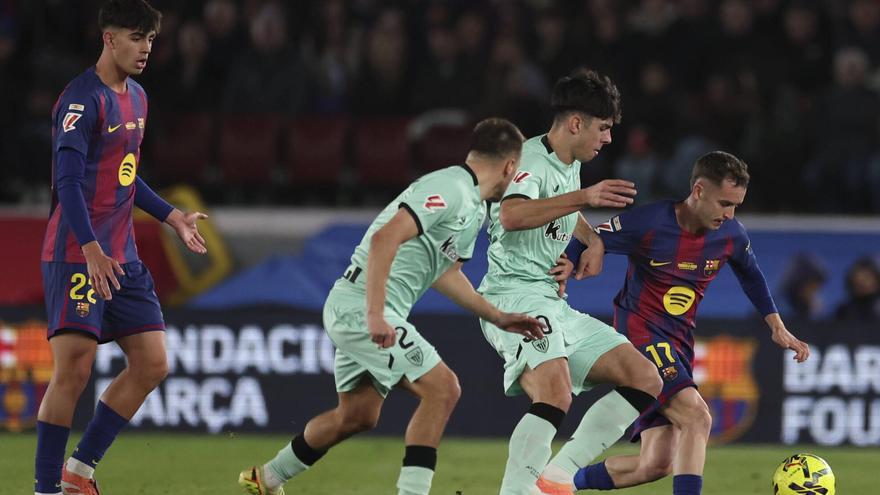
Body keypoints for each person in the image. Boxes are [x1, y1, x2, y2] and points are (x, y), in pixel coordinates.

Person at [238, 118, 548, 495]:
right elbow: (386, 238)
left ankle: (266, 478)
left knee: (357, 415)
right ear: (510, 167)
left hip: (368, 308)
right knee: (443, 389)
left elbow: (445, 274)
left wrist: (497, 316)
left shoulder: (475, 209)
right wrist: (374, 314)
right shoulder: (449, 187)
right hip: (362, 307)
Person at [34, 2, 209, 495]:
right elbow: (67, 183)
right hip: (77, 253)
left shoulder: (139, 99)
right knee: (74, 371)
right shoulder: (80, 102)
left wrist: (171, 215)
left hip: (122, 257)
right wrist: (90, 248)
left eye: (151, 38)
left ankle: (79, 471)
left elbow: (124, 176)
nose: (146, 47)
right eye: (136, 37)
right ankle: (45, 489)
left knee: (153, 362)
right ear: (109, 39)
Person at [566, 151, 810, 495]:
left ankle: (556, 481)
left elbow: (752, 276)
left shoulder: (731, 236)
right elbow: (592, 237)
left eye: (736, 206)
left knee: (656, 464)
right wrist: (566, 268)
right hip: (641, 334)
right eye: (724, 203)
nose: (730, 214)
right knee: (697, 417)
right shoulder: (649, 223)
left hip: (678, 343)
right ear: (698, 191)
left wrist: (777, 326)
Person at [476, 68, 663, 495]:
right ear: (575, 124)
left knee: (644, 378)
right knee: (555, 394)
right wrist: (585, 197)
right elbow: (512, 214)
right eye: (604, 128)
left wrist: (589, 237)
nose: (608, 138)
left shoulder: (567, 162)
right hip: (512, 301)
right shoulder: (528, 162)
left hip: (551, 301)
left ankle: (556, 478)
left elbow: (558, 208)